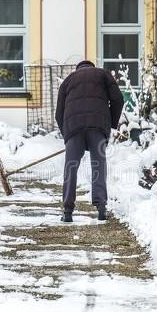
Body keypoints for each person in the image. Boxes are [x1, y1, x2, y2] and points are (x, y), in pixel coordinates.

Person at [55, 60, 125, 222]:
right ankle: (101, 208)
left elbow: (59, 113)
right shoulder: (103, 74)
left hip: (73, 128)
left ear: (78, 69)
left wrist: (67, 135)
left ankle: (67, 211)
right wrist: (110, 123)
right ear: (92, 67)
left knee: (70, 167)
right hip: (98, 127)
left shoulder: (68, 81)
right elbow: (118, 100)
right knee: (98, 165)